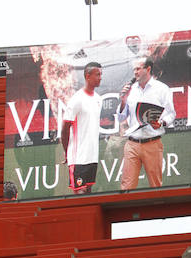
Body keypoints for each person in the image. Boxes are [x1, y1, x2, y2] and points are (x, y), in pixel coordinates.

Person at [117, 56, 175, 191]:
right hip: (132, 143)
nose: (135, 72)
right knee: (127, 186)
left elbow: (171, 114)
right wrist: (124, 100)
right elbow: (121, 117)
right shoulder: (130, 90)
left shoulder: (162, 89)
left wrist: (161, 123)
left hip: (152, 143)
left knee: (156, 185)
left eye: (138, 69)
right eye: (134, 70)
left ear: (148, 69)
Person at [61, 62, 103, 194]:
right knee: (80, 192)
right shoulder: (76, 99)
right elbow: (65, 128)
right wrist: (67, 150)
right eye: (97, 74)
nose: (100, 77)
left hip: (92, 156)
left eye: (101, 74)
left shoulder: (98, 98)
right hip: (78, 157)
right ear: (87, 76)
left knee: (88, 191)